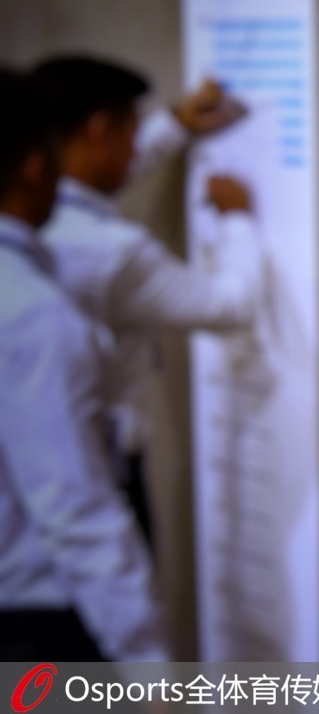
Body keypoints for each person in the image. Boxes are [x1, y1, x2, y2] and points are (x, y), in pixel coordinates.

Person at [29, 55, 263, 544]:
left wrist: (173, 126)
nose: (136, 148)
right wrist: (238, 218)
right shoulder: (111, 252)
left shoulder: (28, 212)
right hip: (101, 472)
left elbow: (87, 185)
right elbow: (230, 306)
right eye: (131, 133)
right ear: (100, 129)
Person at [0, 70, 169, 662]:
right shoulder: (32, 315)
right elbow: (75, 510)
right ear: (35, 166)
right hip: (34, 625)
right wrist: (148, 668)